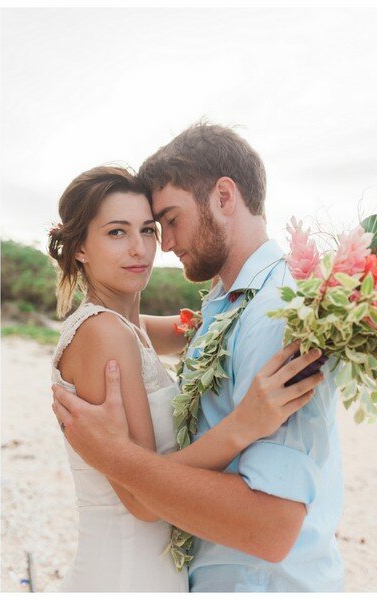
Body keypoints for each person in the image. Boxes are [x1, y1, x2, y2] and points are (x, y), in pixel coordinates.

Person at [52, 124, 345, 592]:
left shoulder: (265, 310)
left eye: (158, 224)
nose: (154, 246)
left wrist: (112, 454)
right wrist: (243, 424)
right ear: (81, 248)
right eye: (117, 232)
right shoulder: (124, 327)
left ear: (224, 197)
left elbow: (270, 527)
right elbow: (115, 331)